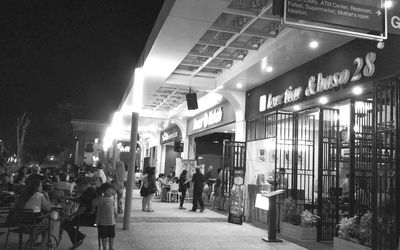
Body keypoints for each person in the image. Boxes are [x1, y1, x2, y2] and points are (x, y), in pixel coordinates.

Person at [62, 177, 97, 249]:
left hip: (90, 217)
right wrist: (68, 198)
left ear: (83, 185)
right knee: (65, 221)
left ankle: (79, 237)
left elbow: (83, 208)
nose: (77, 189)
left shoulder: (89, 193)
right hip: (88, 215)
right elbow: (79, 200)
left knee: (65, 222)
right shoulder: (88, 191)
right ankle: (78, 238)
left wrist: (72, 215)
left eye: (78, 187)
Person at [15, 179, 51, 249]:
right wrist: (47, 196)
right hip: (33, 225)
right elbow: (48, 208)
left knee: (41, 222)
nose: (42, 188)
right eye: (41, 186)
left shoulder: (22, 195)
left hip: (21, 224)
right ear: (37, 187)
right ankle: (43, 245)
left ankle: (32, 242)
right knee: (50, 222)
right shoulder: (39, 195)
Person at [92, 183, 117, 250]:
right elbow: (93, 203)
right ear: (103, 191)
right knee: (104, 236)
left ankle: (111, 247)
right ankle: (104, 247)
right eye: (108, 191)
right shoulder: (101, 199)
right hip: (102, 222)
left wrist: (115, 212)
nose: (110, 192)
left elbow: (113, 206)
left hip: (111, 221)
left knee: (112, 235)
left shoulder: (112, 197)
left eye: (112, 191)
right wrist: (93, 209)